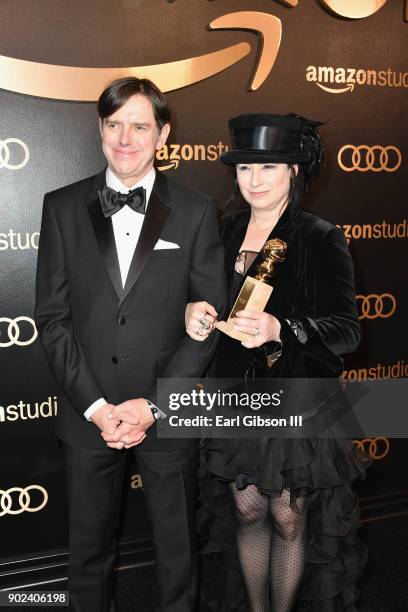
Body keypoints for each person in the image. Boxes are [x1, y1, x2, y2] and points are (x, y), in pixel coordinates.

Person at [35, 76, 226, 612]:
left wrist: (154, 405)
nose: (126, 138)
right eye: (114, 125)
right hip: (87, 413)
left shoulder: (197, 211)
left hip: (166, 411)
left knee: (176, 553)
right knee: (87, 556)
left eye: (140, 126)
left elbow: (208, 324)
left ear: (163, 135)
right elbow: (52, 319)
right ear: (100, 129)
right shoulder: (62, 207)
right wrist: (97, 408)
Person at [185, 113, 370, 612]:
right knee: (246, 510)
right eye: (245, 169)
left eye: (268, 167)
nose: (255, 180)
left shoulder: (319, 236)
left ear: (294, 170)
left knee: (289, 517)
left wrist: (281, 328)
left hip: (296, 399)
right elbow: (200, 299)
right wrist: (194, 312)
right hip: (232, 397)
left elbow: (348, 330)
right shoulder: (220, 232)